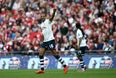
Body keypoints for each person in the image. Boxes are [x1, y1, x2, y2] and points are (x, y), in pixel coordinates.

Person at [36, 6, 68, 74]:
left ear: (45, 17)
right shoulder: (41, 25)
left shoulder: (48, 21)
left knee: (55, 54)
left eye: (43, 16)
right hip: (45, 42)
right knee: (40, 54)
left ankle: (65, 66)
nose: (42, 17)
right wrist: (42, 40)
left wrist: (54, 11)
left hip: (50, 40)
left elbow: (52, 17)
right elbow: (43, 33)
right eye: (41, 16)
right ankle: (42, 69)